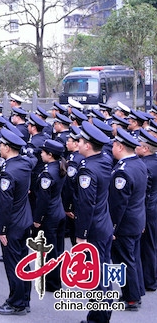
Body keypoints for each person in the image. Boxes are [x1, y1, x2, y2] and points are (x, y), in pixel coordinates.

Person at [75, 121, 114, 323]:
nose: (77, 143)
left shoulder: (88, 170)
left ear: (88, 145)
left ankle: (98, 319)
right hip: (104, 224)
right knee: (104, 273)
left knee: (96, 277)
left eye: (80, 141)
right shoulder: (105, 159)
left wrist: (81, 236)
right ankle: (101, 315)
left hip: (95, 230)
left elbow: (86, 205)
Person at [0, 128, 33, 316]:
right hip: (25, 220)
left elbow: (5, 204)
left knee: (14, 265)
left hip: (13, 224)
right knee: (24, 263)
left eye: (1, 145)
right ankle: (24, 299)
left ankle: (16, 303)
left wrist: (1, 228)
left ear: (8, 148)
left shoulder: (8, 171)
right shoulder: (24, 164)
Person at [109, 128, 147, 311]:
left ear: (120, 146)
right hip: (136, 219)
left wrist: (112, 228)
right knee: (133, 259)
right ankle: (136, 292)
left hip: (124, 224)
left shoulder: (122, 171)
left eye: (114, 145)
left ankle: (131, 298)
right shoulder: (139, 164)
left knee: (125, 261)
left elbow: (118, 205)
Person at [32, 139, 67, 292]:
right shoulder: (59, 167)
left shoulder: (48, 173)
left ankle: (52, 283)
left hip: (49, 215)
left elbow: (43, 200)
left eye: (43, 152)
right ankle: (56, 280)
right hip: (58, 212)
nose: (41, 154)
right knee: (58, 249)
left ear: (50, 155)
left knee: (50, 250)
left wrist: (38, 219)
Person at [137, 128, 157, 292]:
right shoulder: (154, 162)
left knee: (147, 246)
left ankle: (149, 280)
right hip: (154, 207)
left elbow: (144, 194)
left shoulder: (146, 167)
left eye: (139, 145)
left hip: (149, 210)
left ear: (146, 149)